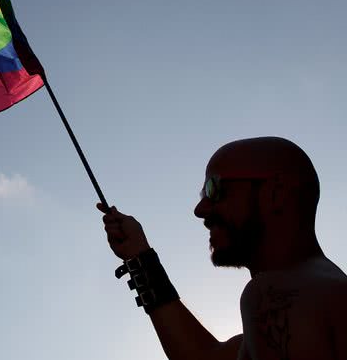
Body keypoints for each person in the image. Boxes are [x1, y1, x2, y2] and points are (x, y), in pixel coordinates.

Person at [100, 137, 347, 360]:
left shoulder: (272, 294)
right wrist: (140, 257)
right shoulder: (322, 293)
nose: (201, 210)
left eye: (215, 189)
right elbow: (202, 356)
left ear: (276, 192)